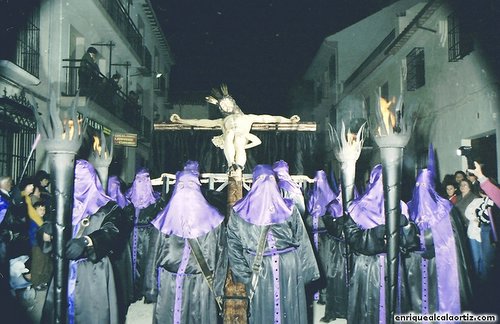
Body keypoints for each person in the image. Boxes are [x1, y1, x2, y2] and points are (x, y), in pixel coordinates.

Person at [226, 164, 319, 324]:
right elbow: (302, 240)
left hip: (270, 268)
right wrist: (307, 273)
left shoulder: (240, 211)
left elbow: (234, 247)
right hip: (282, 267)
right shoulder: (288, 208)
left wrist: (245, 276)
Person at [40, 160, 128, 324]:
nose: (75, 184)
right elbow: (49, 232)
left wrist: (86, 241)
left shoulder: (108, 208)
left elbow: (112, 231)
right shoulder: (63, 205)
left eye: (79, 179)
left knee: (92, 314)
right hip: (64, 270)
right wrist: (47, 232)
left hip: (93, 271)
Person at [144, 162, 227, 323]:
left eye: (190, 185)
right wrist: (151, 289)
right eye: (182, 185)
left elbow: (221, 258)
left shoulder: (215, 220)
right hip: (169, 285)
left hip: (201, 285)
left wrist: (218, 289)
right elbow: (152, 257)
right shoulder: (162, 221)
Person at [344, 164, 419, 324]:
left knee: (394, 304)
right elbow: (352, 239)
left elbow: (410, 243)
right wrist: (375, 233)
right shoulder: (356, 207)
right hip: (368, 267)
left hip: (394, 265)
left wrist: (406, 226)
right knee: (368, 308)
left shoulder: (400, 206)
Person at [170, 84, 300, 172]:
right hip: (229, 138)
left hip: (241, 137)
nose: (227, 108)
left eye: (228, 105)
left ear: (233, 104)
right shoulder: (223, 120)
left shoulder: (248, 117)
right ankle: (231, 163)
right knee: (231, 134)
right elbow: (199, 122)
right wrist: (181, 120)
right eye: (224, 106)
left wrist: (289, 120)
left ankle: (239, 165)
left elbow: (270, 118)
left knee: (238, 138)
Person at [404, 151, 473, 316]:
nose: (422, 191)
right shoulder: (410, 206)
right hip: (415, 260)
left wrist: (429, 240)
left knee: (436, 294)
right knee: (418, 295)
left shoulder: (445, 209)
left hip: (440, 260)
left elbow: (452, 238)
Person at [304, 170, 341, 321]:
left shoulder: (331, 198)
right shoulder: (309, 195)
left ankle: (324, 296)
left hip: (325, 239)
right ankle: (314, 295)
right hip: (312, 238)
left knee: (325, 267)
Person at [126, 168, 166, 302]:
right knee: (130, 264)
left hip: (148, 238)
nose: (141, 182)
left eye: (145, 179)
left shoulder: (157, 201)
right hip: (131, 237)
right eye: (138, 179)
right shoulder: (127, 199)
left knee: (146, 264)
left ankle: (146, 292)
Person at [107, 175, 135, 324]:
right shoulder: (103, 204)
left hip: (121, 249)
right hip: (108, 250)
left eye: (115, 186)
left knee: (121, 280)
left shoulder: (127, 204)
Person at [28, 201, 52, 291]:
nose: (43, 211)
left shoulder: (41, 220)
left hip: (43, 245)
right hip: (37, 246)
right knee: (38, 265)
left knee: (45, 263)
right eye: (40, 209)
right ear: (34, 210)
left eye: (44, 209)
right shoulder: (34, 221)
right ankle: (36, 283)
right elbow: (34, 235)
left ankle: (43, 281)